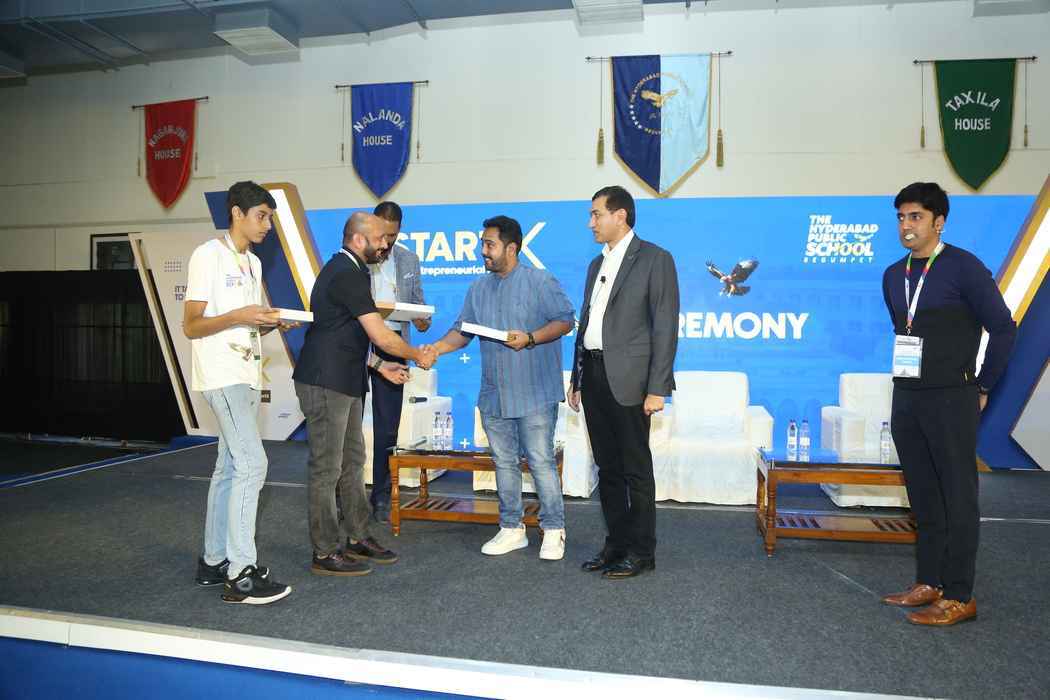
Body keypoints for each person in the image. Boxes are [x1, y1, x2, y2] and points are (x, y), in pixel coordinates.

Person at [880, 182, 1016, 626]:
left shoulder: (964, 267)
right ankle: (929, 581)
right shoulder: (893, 275)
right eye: (901, 217)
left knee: (958, 497)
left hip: (952, 398)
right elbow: (905, 330)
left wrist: (983, 385)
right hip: (907, 397)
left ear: (939, 222)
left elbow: (1003, 327)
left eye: (916, 217)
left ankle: (959, 595)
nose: (906, 225)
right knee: (922, 495)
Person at [293, 212, 435, 577]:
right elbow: (380, 335)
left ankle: (357, 535)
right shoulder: (345, 272)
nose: (386, 244)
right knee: (327, 469)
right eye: (380, 239)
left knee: (353, 462)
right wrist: (416, 354)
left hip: (346, 379)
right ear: (359, 240)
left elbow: (344, 334)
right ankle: (325, 550)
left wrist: (380, 366)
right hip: (325, 382)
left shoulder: (355, 271)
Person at [430, 215, 574, 560]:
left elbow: (565, 320)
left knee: (540, 461)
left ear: (511, 248)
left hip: (535, 392)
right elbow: (462, 331)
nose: (483, 251)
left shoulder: (540, 281)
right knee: (504, 463)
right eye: (483, 244)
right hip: (494, 393)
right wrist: (434, 349)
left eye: (489, 244)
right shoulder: (478, 288)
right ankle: (512, 528)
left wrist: (531, 338)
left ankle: (554, 529)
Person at [185, 181, 294, 605]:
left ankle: (214, 561)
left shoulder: (253, 263)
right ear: (236, 213)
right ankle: (241, 573)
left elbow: (244, 325)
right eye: (261, 216)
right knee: (253, 465)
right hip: (221, 375)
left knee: (230, 467)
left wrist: (268, 323)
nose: (267, 225)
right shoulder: (207, 255)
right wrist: (239, 315)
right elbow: (192, 325)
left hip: (247, 375)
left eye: (269, 218)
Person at [568, 185, 679, 580]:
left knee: (635, 470)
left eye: (596, 214)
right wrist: (577, 378)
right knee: (607, 469)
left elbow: (665, 326)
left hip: (631, 381)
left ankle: (642, 552)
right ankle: (615, 545)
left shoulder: (654, 259)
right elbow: (586, 325)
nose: (590, 222)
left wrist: (657, 387)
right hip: (594, 377)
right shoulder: (595, 265)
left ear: (621, 216)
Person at [367, 201, 430, 524]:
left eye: (393, 235)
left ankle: (380, 496)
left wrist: (422, 320)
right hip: (359, 340)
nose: (387, 241)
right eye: (383, 233)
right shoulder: (360, 255)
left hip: (394, 344)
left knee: (387, 427)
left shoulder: (409, 259)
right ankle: (342, 494)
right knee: (347, 422)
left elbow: (419, 305)